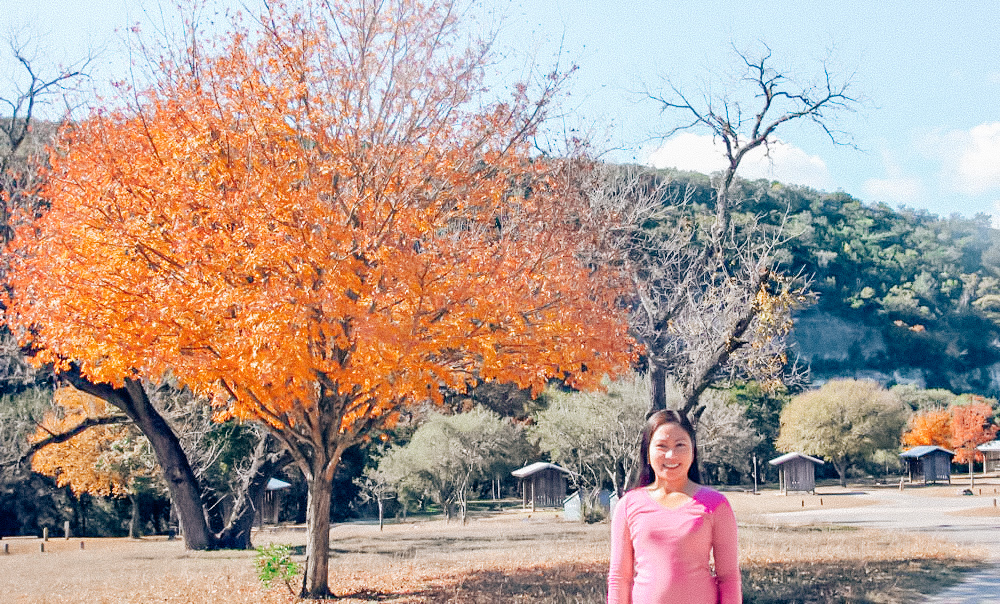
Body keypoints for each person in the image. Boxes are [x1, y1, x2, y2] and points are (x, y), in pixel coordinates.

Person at [607, 410, 741, 604]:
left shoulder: (715, 505)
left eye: (680, 445)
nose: (671, 455)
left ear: (693, 450)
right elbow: (620, 578)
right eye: (662, 446)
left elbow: (729, 578)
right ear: (648, 451)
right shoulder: (628, 505)